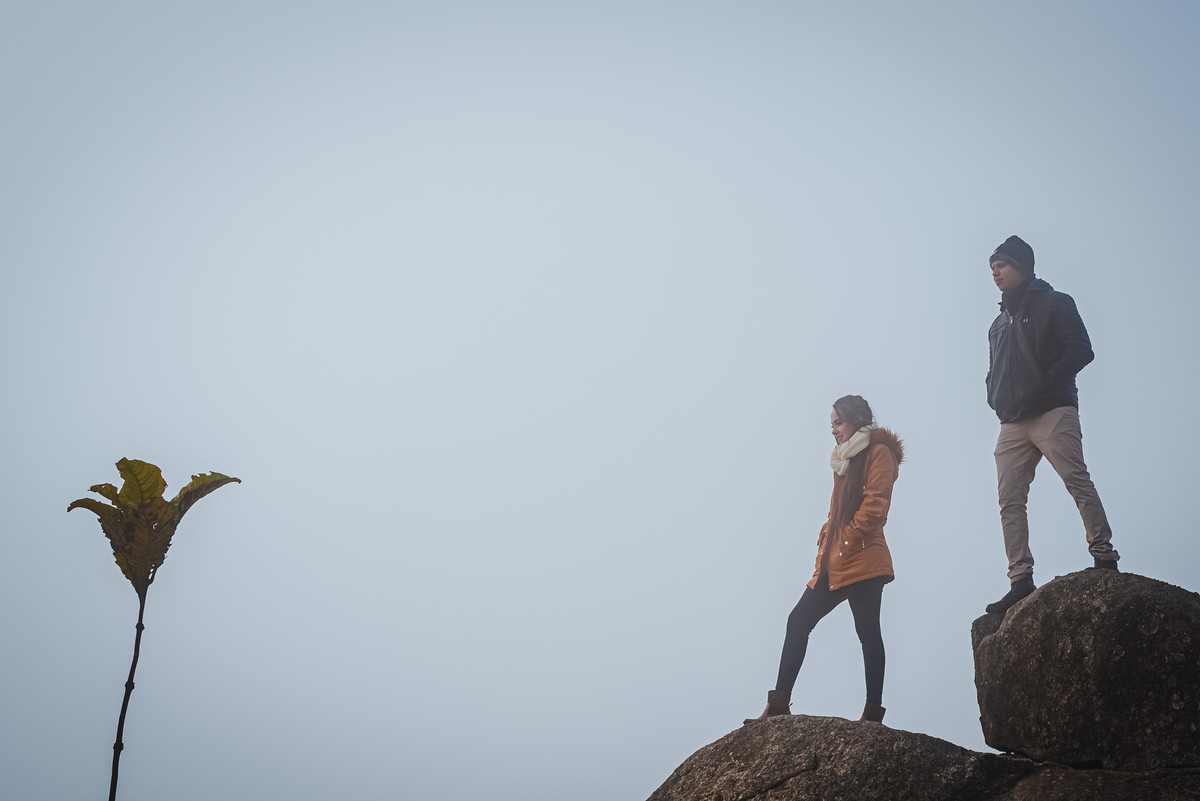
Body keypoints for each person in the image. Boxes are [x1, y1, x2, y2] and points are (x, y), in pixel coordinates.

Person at [745, 395, 903, 725]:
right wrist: (828, 540)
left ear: (856, 420)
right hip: (838, 559)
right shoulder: (846, 458)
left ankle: (872, 714)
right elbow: (838, 513)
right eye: (831, 424)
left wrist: (843, 540)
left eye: (838, 423)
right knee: (798, 621)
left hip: (863, 561)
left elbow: (875, 509)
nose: (833, 430)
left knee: (868, 633)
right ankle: (778, 704)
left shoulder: (879, 452)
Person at [984, 235, 1119, 616]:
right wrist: (994, 397)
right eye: (992, 267)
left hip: (1052, 410)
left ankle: (1104, 557)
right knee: (1009, 500)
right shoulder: (996, 324)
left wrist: (1046, 385)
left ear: (1023, 267)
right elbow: (993, 370)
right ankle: (1020, 580)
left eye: (1002, 264)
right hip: (1011, 422)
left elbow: (1080, 349)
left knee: (1076, 479)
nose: (995, 271)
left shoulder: (1057, 303)